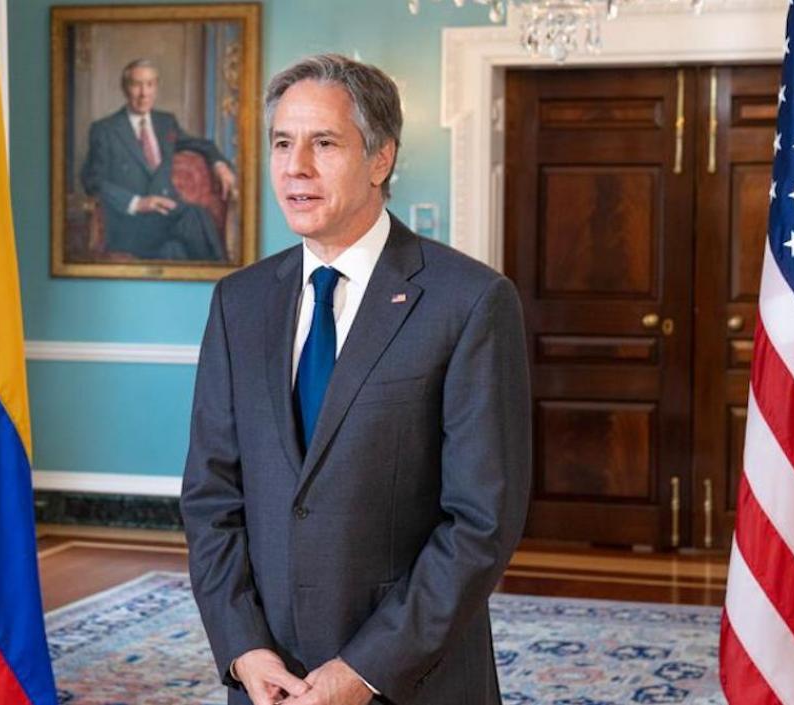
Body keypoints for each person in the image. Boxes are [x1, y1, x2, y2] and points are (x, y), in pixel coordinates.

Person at [180, 54, 532, 705]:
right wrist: (242, 646)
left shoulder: (469, 301)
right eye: (282, 142)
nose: (296, 167)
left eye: (324, 143)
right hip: (270, 680)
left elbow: (482, 520)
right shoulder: (240, 301)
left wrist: (365, 669)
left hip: (411, 680)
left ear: (380, 159)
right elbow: (210, 496)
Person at [80, 58, 237, 261]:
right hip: (130, 224)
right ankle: (225, 276)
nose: (144, 93)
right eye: (137, 85)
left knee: (174, 252)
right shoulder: (105, 130)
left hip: (167, 220)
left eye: (150, 84)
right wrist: (138, 203)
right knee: (194, 216)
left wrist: (220, 164)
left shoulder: (165, 123)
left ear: (156, 87)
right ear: (125, 88)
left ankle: (219, 280)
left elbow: (201, 144)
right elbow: (93, 181)